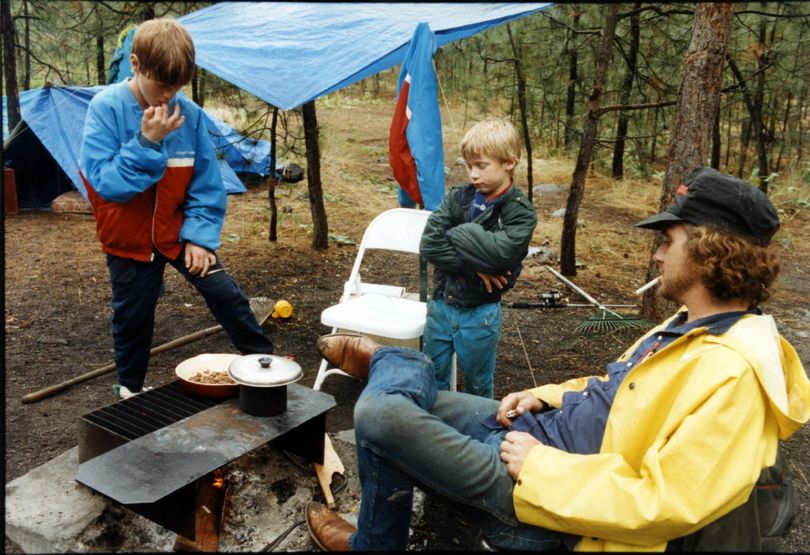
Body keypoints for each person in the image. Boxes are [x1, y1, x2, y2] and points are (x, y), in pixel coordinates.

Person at [305, 167, 810, 551]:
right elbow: (616, 387)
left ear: (709, 250)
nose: (657, 255)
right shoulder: (688, 325)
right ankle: (375, 533)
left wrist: (541, 469)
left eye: (668, 242)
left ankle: (395, 365)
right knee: (393, 417)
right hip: (538, 436)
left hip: (545, 503)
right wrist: (543, 396)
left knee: (380, 412)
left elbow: (669, 503)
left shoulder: (737, 374)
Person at [79, 18, 273, 399]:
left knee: (226, 296)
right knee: (134, 316)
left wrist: (199, 236)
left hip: (179, 233)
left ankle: (267, 368)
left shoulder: (191, 115)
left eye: (177, 86)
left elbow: (205, 182)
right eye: (160, 84)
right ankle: (131, 390)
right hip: (128, 240)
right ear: (135, 64)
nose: (168, 95)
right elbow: (106, 185)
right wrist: (148, 142)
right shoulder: (106, 109)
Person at [419, 118, 537, 398]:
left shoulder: (519, 213)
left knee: (477, 384)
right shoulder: (458, 198)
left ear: (509, 162)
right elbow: (429, 245)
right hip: (441, 304)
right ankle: (432, 431)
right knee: (431, 376)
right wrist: (474, 267)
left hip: (479, 313)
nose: (473, 174)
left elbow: (501, 260)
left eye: (481, 166)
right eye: (469, 166)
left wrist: (459, 232)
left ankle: (476, 433)